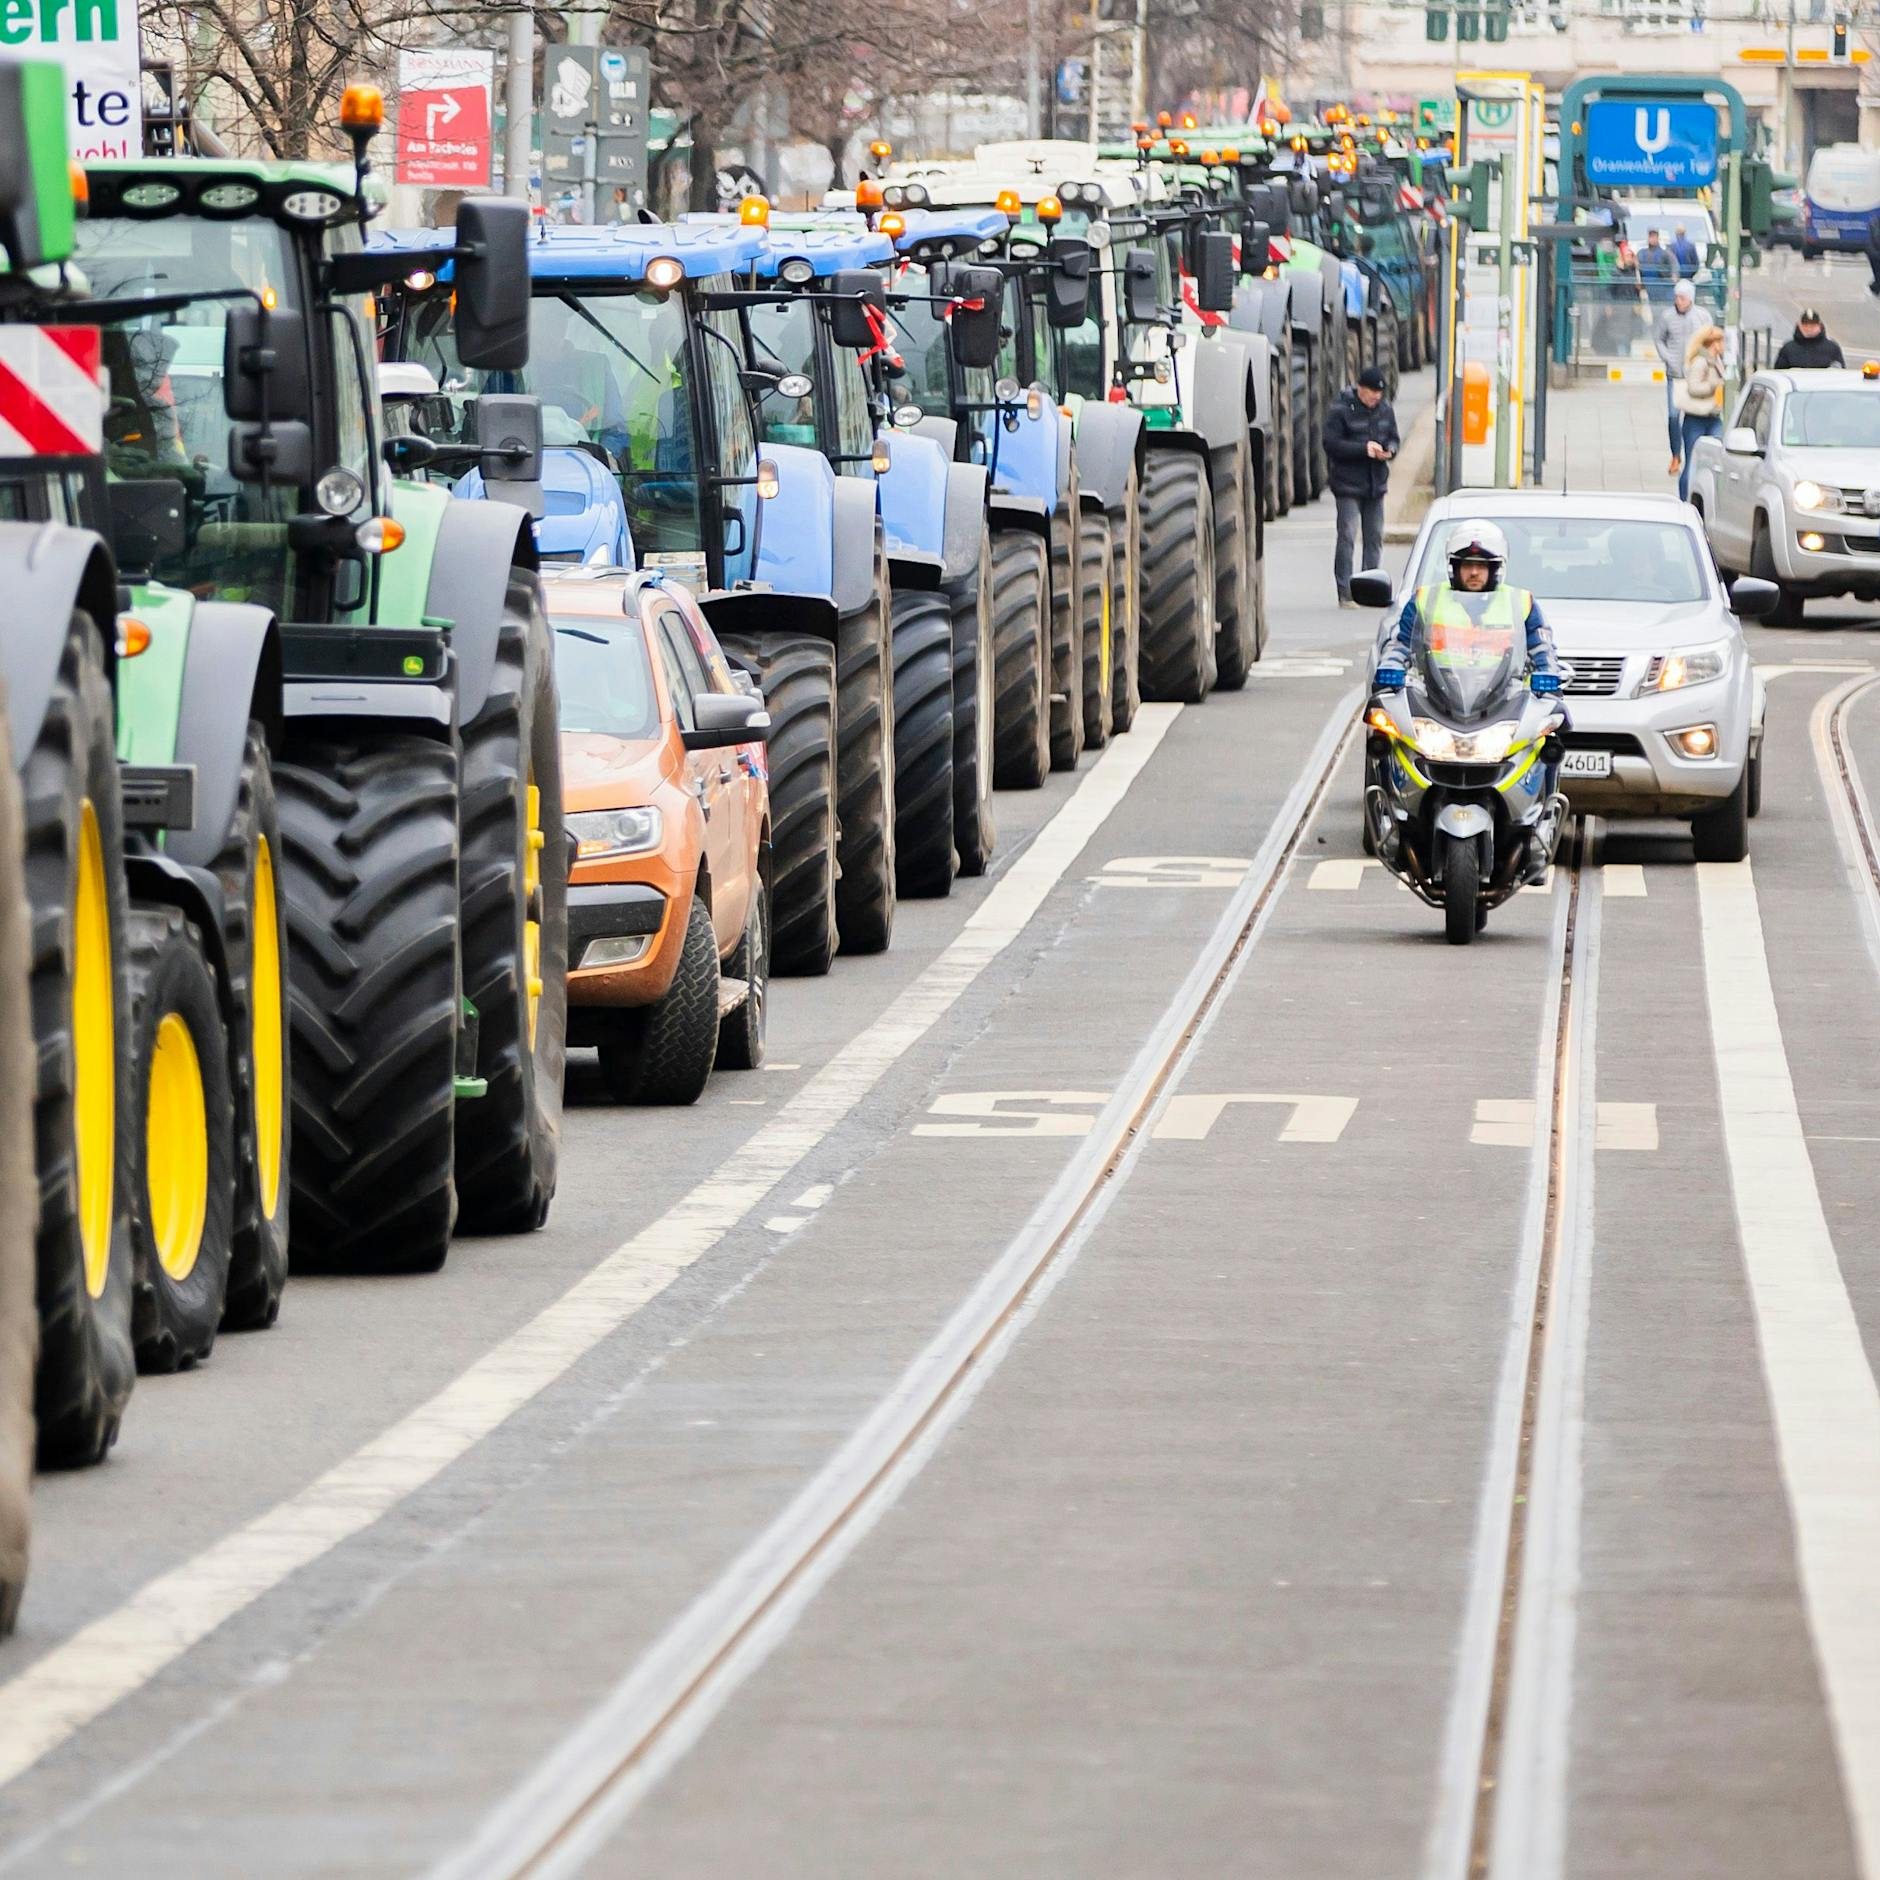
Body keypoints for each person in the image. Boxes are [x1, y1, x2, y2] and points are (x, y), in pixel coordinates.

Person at [1374, 520, 1564, 883]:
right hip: (1441, 701)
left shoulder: (1520, 603)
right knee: (1383, 731)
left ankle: (1541, 828)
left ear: (1495, 569)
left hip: (1500, 703)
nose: (1474, 572)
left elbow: (1542, 647)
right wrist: (1390, 669)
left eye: (1482, 566)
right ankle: (1395, 823)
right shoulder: (1425, 600)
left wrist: (1548, 675)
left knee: (1551, 733)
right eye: (1466, 565)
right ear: (1454, 568)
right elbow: (1399, 644)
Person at [1324, 364, 1399, 607]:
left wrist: (1390, 450)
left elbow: (1393, 437)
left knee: (1374, 537)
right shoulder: (1341, 410)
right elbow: (1331, 444)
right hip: (1348, 484)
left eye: (1379, 394)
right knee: (1347, 535)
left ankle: (1370, 587)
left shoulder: (1385, 411)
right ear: (1360, 389)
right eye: (1371, 393)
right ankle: (1345, 590)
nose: (1375, 398)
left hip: (1375, 484)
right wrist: (1363, 449)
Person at [1654, 279, 1708, 479]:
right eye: (1676, 297)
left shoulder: (1702, 316)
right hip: (1675, 375)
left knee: (1694, 417)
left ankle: (1692, 454)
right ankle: (1676, 454)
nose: (1679, 301)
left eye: (1682, 297)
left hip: (1695, 376)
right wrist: (1667, 358)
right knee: (1673, 416)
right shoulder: (1668, 317)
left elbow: (1709, 340)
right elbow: (1659, 338)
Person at [1673, 324, 1727, 500]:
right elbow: (1693, 387)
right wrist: (1714, 385)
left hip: (1713, 416)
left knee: (1716, 457)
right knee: (1692, 461)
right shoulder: (1700, 361)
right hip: (1696, 419)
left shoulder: (1716, 361)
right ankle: (1684, 499)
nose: (1724, 344)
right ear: (1713, 343)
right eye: (1722, 341)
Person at [1774, 308, 1845, 369]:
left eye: (1813, 325)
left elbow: (1840, 376)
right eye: (1805, 325)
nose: (1809, 329)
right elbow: (1779, 374)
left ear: (1820, 326)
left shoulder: (1832, 348)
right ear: (1799, 325)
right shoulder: (1788, 349)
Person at [1637, 227, 1675, 297]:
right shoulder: (1641, 253)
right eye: (1650, 236)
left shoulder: (1664, 253)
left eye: (1654, 237)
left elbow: (1672, 267)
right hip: (1646, 286)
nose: (1652, 239)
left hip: (1661, 286)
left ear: (1658, 238)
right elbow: (1637, 268)